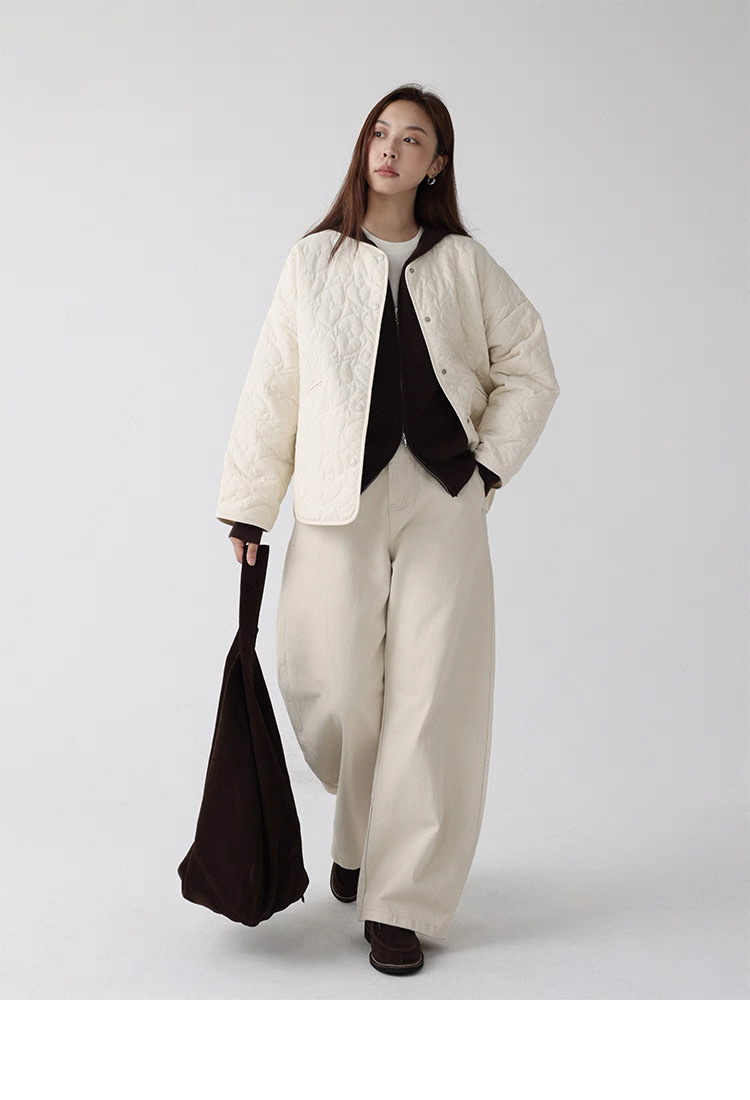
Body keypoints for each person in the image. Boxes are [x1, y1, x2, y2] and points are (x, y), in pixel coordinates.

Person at [216, 83, 560, 975]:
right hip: (340, 497)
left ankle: (399, 900)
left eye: (413, 139)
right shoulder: (314, 260)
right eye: (381, 131)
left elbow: (530, 365)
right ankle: (359, 831)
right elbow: (273, 387)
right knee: (330, 682)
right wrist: (251, 503)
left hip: (444, 499)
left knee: (430, 697)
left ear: (436, 165)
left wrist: (487, 469)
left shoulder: (465, 264)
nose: (391, 148)